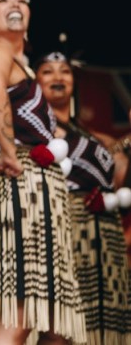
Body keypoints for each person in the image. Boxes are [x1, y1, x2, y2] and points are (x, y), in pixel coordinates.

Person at [0, 0, 85, 345]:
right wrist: (9, 151)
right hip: (19, 189)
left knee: (42, 318)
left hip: (32, 193)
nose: (15, 4)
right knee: (18, 314)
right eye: (3, 0)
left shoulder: (18, 61)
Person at [35, 51, 131, 344]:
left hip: (104, 233)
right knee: (61, 320)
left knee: (101, 321)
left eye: (64, 71)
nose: (58, 77)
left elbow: (122, 183)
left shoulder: (97, 137)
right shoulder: (31, 130)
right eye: (48, 71)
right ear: (35, 82)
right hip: (59, 228)